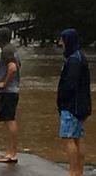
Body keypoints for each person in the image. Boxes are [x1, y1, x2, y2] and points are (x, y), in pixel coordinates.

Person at [57, 28, 91, 176]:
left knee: (69, 138)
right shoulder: (80, 57)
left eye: (62, 40)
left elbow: (70, 84)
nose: (60, 43)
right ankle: (79, 171)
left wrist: (61, 99)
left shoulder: (73, 60)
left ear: (68, 41)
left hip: (72, 105)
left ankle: (72, 171)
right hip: (81, 104)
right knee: (78, 138)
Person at [0, 27, 22, 163]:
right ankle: (10, 152)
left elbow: (13, 68)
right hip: (13, 90)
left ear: (1, 38)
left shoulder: (6, 50)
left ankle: (12, 154)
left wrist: (4, 82)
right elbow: (18, 66)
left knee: (9, 121)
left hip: (7, 92)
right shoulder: (12, 49)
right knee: (9, 120)